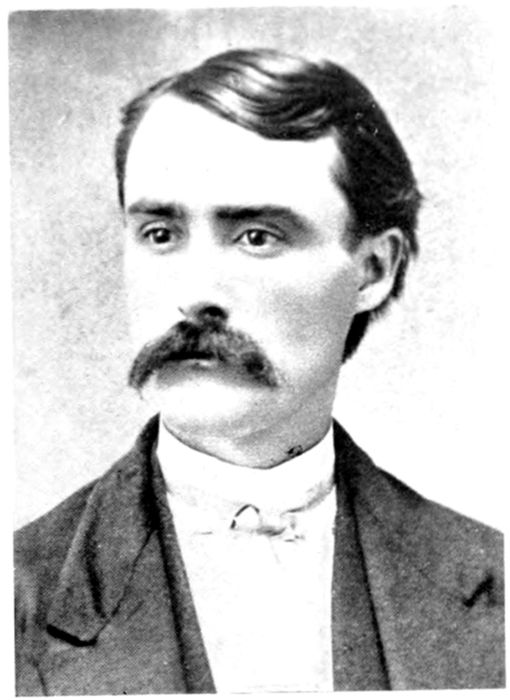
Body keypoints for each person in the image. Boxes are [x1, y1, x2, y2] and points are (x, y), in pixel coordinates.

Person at [14, 48, 504, 695]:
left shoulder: (491, 583)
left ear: (374, 271)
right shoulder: (18, 594)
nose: (194, 293)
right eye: (160, 233)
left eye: (257, 236)